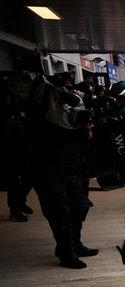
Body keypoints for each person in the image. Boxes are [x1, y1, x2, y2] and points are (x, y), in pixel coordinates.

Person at [28, 72, 97, 269]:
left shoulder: (72, 106)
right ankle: (66, 252)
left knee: (80, 206)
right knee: (60, 211)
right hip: (48, 168)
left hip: (70, 168)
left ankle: (75, 243)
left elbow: (86, 133)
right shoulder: (44, 110)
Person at [1, 82, 34, 222]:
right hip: (8, 152)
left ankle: (20, 202)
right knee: (13, 183)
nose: (8, 99)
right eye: (5, 97)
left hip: (22, 149)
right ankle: (15, 210)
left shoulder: (16, 107)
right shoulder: (4, 112)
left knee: (30, 178)